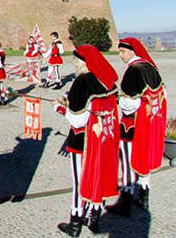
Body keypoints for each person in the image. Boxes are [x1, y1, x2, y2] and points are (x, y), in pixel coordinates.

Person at [54, 45, 119, 236]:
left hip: (83, 141)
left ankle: (75, 221)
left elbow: (78, 119)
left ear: (84, 61)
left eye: (77, 60)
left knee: (80, 181)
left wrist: (60, 108)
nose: (75, 64)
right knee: (100, 175)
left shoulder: (82, 82)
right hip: (105, 138)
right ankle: (94, 216)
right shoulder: (107, 79)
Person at [106, 37, 166, 216]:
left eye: (123, 52)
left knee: (127, 162)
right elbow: (162, 95)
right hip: (149, 123)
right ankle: (144, 197)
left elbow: (129, 104)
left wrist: (117, 98)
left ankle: (125, 203)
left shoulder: (134, 70)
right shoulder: (150, 67)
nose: (120, 55)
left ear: (132, 51)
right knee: (143, 159)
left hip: (132, 125)